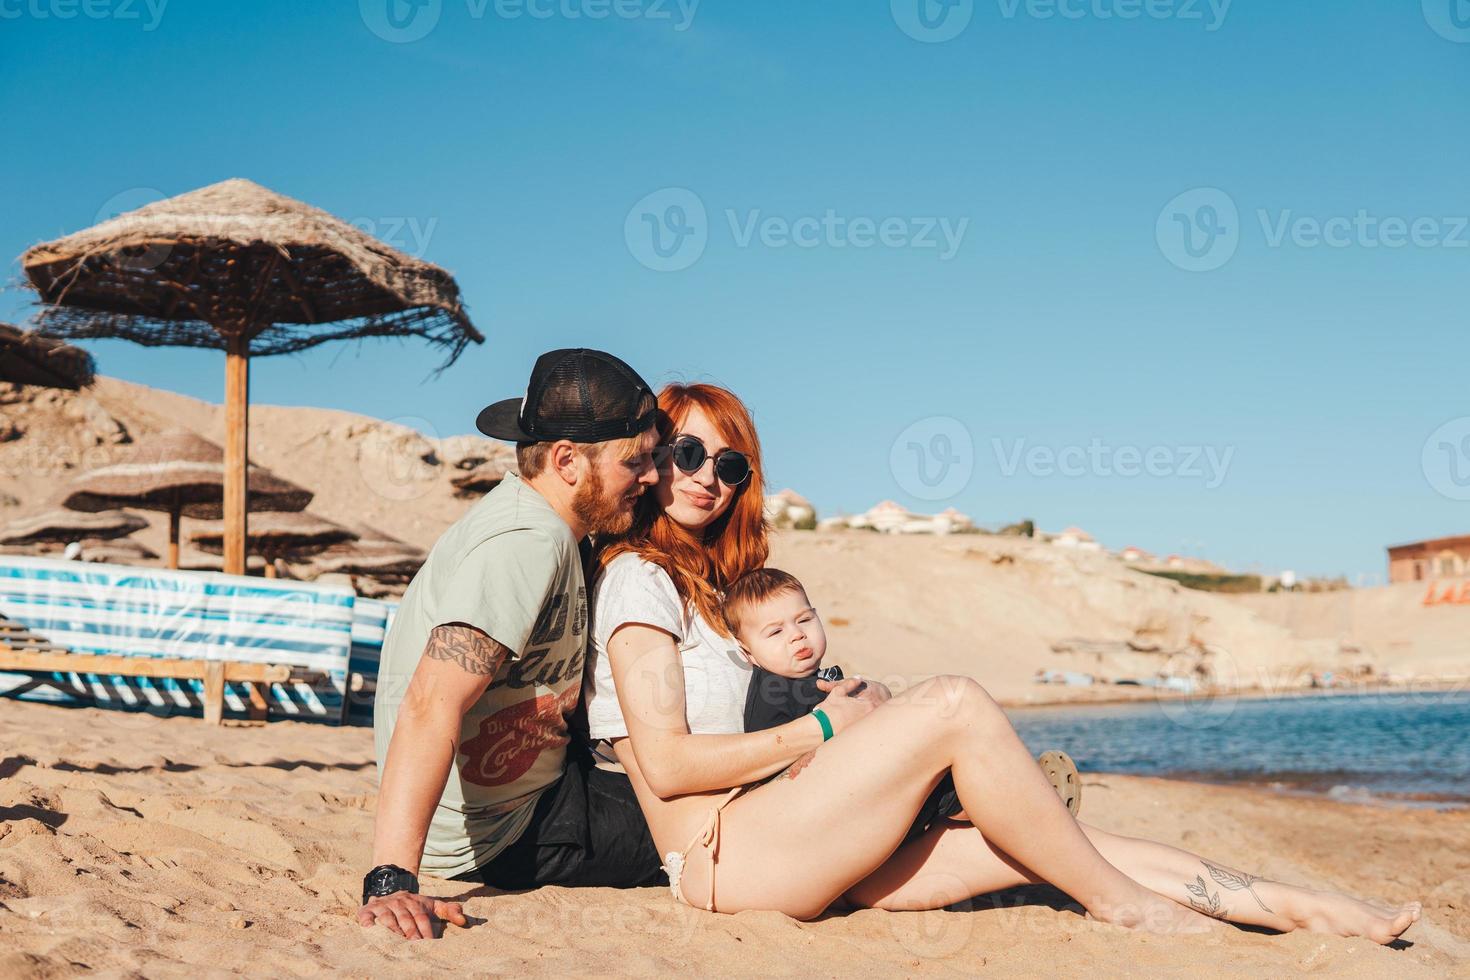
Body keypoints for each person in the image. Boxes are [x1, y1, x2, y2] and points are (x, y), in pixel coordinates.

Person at [584, 380, 1421, 943]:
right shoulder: (639, 583)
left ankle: (1297, 905)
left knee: (1047, 839)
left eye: (729, 465)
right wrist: (828, 726)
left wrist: (838, 708)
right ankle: (1120, 907)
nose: (707, 478)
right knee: (952, 702)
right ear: (653, 459)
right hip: (722, 859)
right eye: (686, 454)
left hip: (800, 834)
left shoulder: (724, 592)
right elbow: (663, 766)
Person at [358, 349, 667, 941]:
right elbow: (430, 701)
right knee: (706, 825)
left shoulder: (550, 526)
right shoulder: (527, 542)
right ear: (567, 460)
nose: (651, 476)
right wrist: (391, 879)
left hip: (538, 788)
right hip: (505, 832)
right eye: (636, 462)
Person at [725, 565, 1081, 818]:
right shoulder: (773, 691)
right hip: (835, 806)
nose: (796, 635)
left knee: (947, 768)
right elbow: (772, 764)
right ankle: (1026, 804)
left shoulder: (814, 679)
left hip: (863, 791)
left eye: (804, 620)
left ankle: (1017, 798)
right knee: (945, 786)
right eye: (775, 632)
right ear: (748, 653)